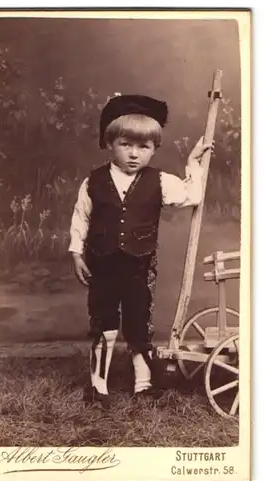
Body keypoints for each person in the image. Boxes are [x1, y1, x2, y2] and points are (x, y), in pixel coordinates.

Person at [69, 94, 212, 408]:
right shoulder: (93, 182)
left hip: (139, 266)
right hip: (101, 265)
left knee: (137, 324)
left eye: (143, 147)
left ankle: (144, 385)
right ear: (110, 143)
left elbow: (192, 196)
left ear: (154, 149)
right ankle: (98, 388)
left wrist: (193, 164)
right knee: (104, 325)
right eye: (126, 145)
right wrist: (77, 253)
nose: (134, 154)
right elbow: (81, 217)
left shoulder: (159, 181)